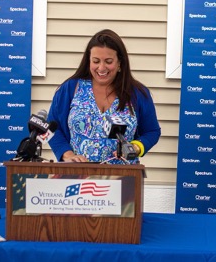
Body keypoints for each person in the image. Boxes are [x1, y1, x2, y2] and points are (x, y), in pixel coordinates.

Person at [47, 29, 161, 164]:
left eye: (108, 61)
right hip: (77, 177)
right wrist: (67, 154)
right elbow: (50, 127)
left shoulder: (137, 93)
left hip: (124, 179)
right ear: (88, 61)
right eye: (96, 61)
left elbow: (152, 131)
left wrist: (136, 147)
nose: (101, 68)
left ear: (120, 63)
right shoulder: (71, 88)